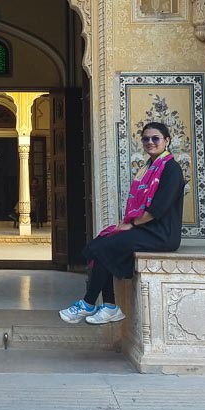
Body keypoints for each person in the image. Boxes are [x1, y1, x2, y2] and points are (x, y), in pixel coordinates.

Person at [58, 121, 184, 325]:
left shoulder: (171, 169)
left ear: (166, 141)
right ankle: (108, 306)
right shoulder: (149, 167)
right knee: (101, 243)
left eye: (155, 138)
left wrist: (132, 224)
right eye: (146, 139)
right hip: (147, 230)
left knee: (103, 247)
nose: (150, 142)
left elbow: (158, 209)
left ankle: (91, 303)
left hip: (162, 234)